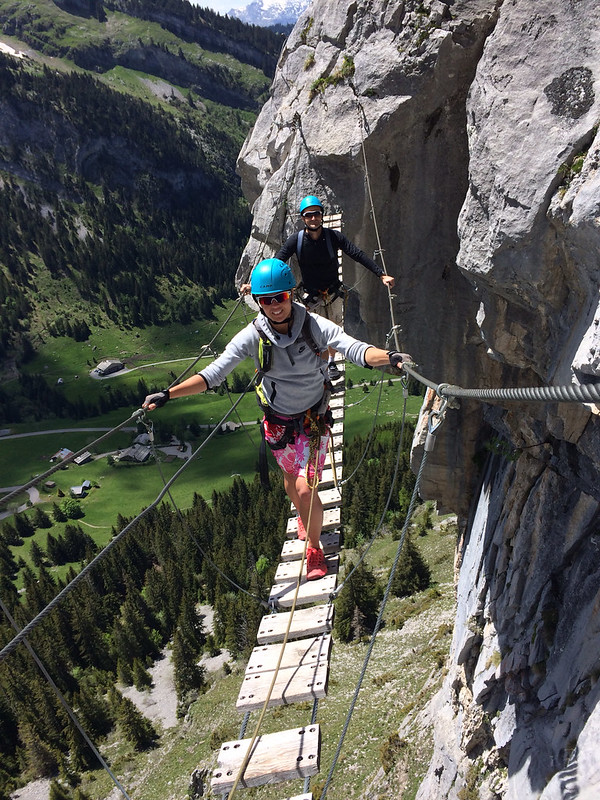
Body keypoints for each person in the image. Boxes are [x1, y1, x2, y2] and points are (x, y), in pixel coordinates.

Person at [144, 258, 411, 581]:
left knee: (305, 485)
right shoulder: (251, 335)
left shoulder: (314, 325)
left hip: (314, 420)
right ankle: (303, 514)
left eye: (280, 297)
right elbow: (213, 374)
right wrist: (168, 394)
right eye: (266, 300)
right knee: (289, 479)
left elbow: (354, 348)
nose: (274, 306)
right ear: (258, 302)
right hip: (278, 422)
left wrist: (390, 358)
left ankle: (314, 548)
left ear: (291, 294)